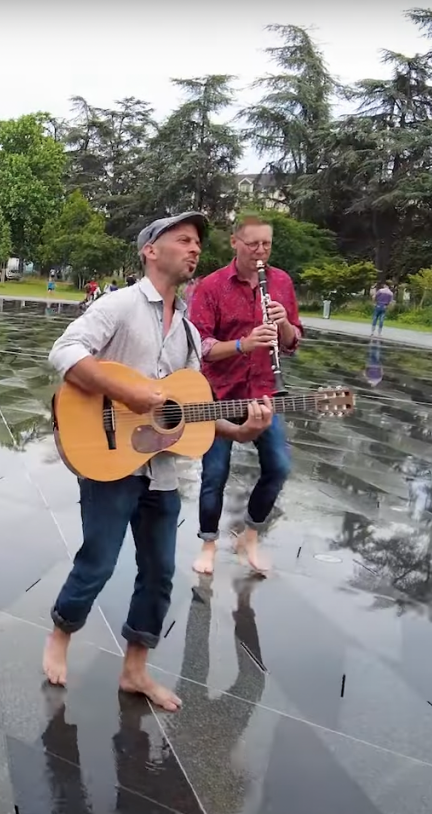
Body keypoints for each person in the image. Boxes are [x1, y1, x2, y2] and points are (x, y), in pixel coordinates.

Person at [41, 212, 274, 711]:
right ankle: (61, 632)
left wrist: (242, 428)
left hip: (160, 469)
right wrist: (132, 392)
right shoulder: (120, 306)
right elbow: (64, 351)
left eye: (196, 243)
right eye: (183, 240)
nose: (194, 249)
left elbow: (189, 411)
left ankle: (135, 669)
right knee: (99, 561)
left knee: (160, 572)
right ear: (150, 250)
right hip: (109, 457)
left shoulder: (189, 331)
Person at [185, 215, 303, 576]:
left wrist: (283, 323)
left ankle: (250, 534)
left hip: (264, 391)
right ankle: (208, 543)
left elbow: (293, 341)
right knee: (214, 474)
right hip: (219, 394)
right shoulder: (211, 286)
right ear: (235, 242)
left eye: (266, 244)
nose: (261, 251)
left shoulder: (281, 282)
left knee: (279, 467)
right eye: (253, 244)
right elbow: (200, 346)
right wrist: (243, 344)